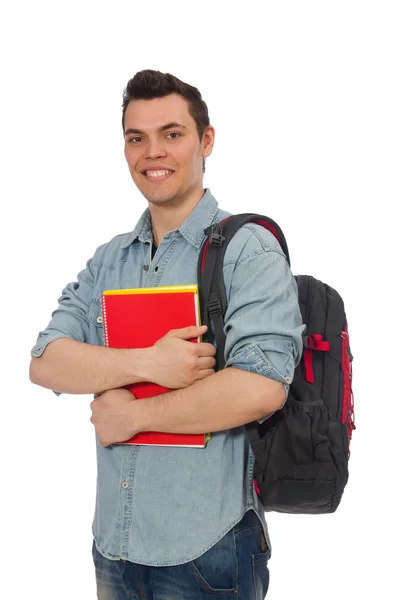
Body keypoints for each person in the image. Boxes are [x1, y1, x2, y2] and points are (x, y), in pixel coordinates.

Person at [30, 69, 304, 600]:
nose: (152, 152)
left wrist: (132, 415)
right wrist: (148, 365)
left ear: (206, 141)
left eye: (171, 134)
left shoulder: (250, 249)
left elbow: (262, 386)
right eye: (137, 138)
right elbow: (46, 360)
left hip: (209, 551)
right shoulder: (111, 258)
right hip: (113, 546)